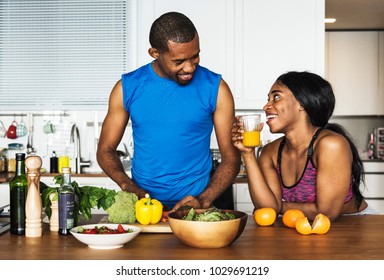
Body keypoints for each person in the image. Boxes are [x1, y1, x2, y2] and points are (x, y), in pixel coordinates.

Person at [97, 11, 241, 211]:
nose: (190, 68)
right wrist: (127, 185)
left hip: (198, 207)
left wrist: (204, 199)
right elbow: (105, 150)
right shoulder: (127, 88)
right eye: (179, 61)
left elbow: (231, 158)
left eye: (195, 56)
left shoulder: (216, 88)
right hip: (145, 207)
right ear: (155, 53)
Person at [231, 71, 371, 222]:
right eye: (268, 99)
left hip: (353, 224)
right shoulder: (270, 152)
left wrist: (280, 208)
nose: (266, 106)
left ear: (302, 104)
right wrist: (248, 154)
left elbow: (326, 213)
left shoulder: (331, 145)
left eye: (276, 97)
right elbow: (267, 209)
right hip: (300, 224)